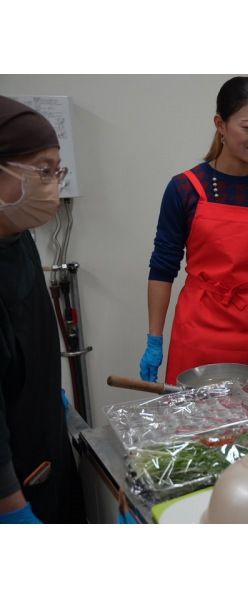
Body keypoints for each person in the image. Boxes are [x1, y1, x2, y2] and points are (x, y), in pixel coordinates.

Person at [141, 77, 248, 384]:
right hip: (198, 332)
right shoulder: (185, 189)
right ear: (220, 124)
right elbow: (163, 267)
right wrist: (154, 338)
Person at [0, 96, 85, 523]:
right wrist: (12, 512)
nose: (52, 184)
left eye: (57, 171)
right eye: (43, 171)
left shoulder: (20, 237)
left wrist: (51, 394)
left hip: (42, 441)